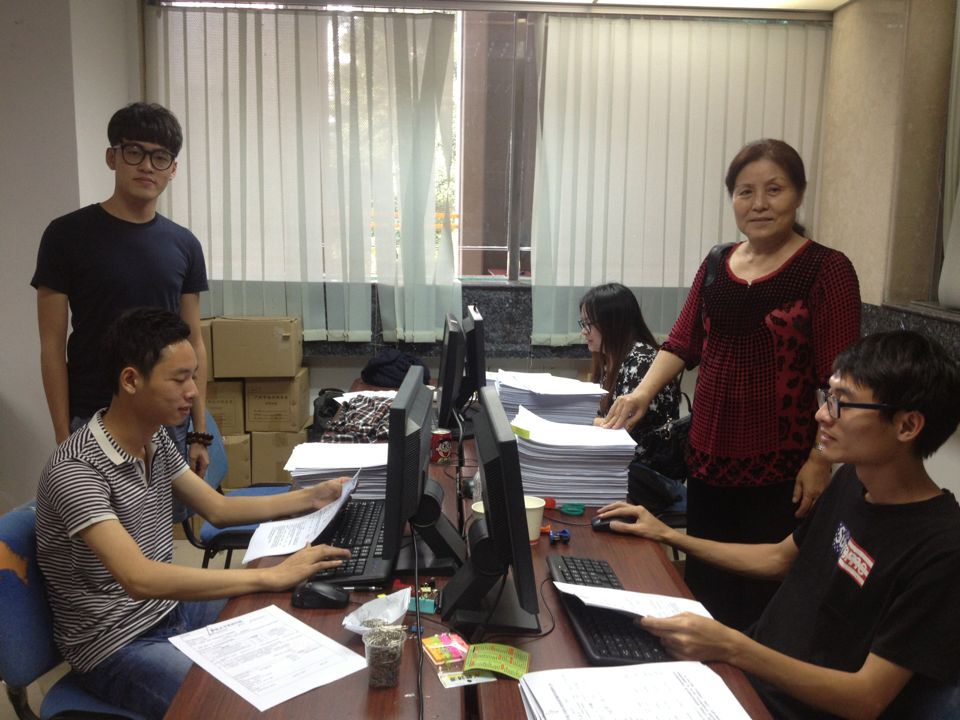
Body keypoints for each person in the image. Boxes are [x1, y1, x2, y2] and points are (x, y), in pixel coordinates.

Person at [598, 330, 960, 719]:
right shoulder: (851, 482)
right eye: (827, 396)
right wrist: (666, 534)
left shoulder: (942, 548)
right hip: (742, 681)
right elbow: (779, 558)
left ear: (907, 426)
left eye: (842, 403)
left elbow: (866, 698)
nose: (822, 414)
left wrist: (732, 646)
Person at [35, 308, 351, 720]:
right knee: (233, 704)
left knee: (293, 620)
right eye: (179, 379)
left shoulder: (154, 440)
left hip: (170, 609)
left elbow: (217, 509)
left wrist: (313, 496)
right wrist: (267, 574)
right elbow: (138, 578)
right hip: (116, 645)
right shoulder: (76, 470)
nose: (193, 392)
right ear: (130, 380)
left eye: (193, 377)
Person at [603, 139, 861, 629]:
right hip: (707, 461)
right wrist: (639, 395)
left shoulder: (825, 269)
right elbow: (682, 342)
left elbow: (841, 378)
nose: (759, 204)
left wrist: (821, 458)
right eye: (745, 192)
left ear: (799, 194)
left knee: (764, 600)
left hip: (783, 469)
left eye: (774, 190)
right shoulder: (717, 264)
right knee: (706, 587)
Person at [31, 102, 212, 476]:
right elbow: (51, 346)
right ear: (112, 157)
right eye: (134, 152)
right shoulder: (65, 235)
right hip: (93, 416)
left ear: (172, 169)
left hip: (166, 417)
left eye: (160, 157)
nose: (147, 166)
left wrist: (199, 432)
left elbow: (194, 342)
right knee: (98, 514)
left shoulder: (184, 244)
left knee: (163, 512)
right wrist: (63, 434)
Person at [580, 282, 680, 447]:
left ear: (612, 323)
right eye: (583, 324)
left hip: (645, 458)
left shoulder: (642, 360)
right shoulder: (611, 358)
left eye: (588, 324)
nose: (583, 331)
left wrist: (580, 419)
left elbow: (624, 428)